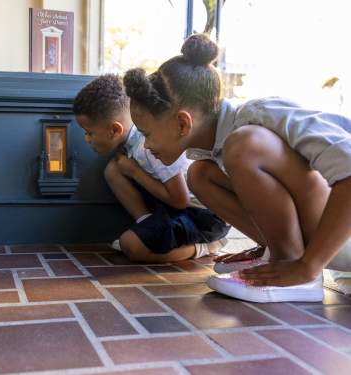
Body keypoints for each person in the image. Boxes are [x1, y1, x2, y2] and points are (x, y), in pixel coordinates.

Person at [123, 33, 351, 303]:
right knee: (200, 174)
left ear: (183, 124)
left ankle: (294, 266)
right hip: (327, 241)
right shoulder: (210, 152)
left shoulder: (261, 115)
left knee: (244, 145)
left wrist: (308, 266)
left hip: (339, 237)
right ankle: (275, 251)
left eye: (147, 134)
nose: (146, 146)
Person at [73, 74, 229, 263]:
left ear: (115, 130)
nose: (86, 139)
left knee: (131, 245)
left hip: (204, 217)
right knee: (113, 170)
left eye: (89, 133)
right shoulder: (132, 144)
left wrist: (135, 172)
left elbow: (180, 199)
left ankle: (207, 246)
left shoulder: (148, 148)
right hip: (177, 207)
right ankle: (148, 225)